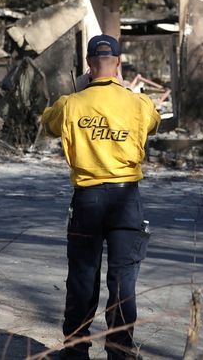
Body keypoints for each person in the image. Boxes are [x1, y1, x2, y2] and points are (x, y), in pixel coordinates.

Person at [42, 34, 160, 360]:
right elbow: (153, 122)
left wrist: (81, 91)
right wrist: (120, 90)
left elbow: (49, 124)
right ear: (119, 64)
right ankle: (120, 351)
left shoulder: (71, 104)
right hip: (126, 201)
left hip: (87, 200)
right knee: (123, 281)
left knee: (82, 277)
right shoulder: (137, 103)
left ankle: (76, 350)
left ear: (88, 66)